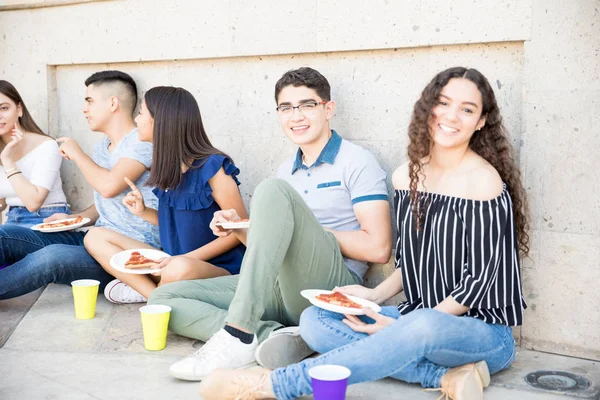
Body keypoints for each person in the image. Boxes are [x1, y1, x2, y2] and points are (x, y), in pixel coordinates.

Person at [197, 66, 529, 400]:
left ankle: (274, 385)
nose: (452, 116)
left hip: (482, 331)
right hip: (415, 316)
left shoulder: (483, 182)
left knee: (422, 325)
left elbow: (478, 283)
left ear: (482, 120)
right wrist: (373, 297)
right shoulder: (408, 176)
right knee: (316, 319)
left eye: (467, 109)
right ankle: (444, 377)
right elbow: (415, 264)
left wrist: (403, 327)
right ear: (428, 107)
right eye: (443, 103)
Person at [148, 67, 392, 381]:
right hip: (277, 286)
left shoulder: (356, 161)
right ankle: (271, 336)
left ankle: (238, 332)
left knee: (271, 190)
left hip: (330, 282)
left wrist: (305, 229)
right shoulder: (285, 170)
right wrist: (240, 228)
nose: (296, 116)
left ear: (328, 109)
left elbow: (379, 248)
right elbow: (270, 249)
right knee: (163, 299)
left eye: (307, 105)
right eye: (286, 108)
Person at [0, 70, 159, 300]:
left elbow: (109, 187)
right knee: (5, 235)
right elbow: (106, 202)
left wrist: (77, 154)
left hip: (124, 253)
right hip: (96, 238)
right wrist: (74, 218)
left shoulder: (141, 142)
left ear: (113, 103)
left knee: (50, 258)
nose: (84, 109)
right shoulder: (103, 146)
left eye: (90, 101)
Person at [84, 86, 247, 304]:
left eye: (141, 113)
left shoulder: (213, 168)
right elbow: (174, 223)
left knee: (178, 269)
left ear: (160, 122)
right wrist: (142, 211)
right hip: (171, 263)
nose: (137, 119)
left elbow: (240, 231)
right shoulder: (168, 167)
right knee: (95, 236)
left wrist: (183, 259)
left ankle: (157, 292)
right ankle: (155, 297)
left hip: (215, 269)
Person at [0, 80, 69, 227]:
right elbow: (1, 204)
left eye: (4, 108)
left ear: (19, 109)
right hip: (11, 222)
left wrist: (7, 160)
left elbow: (33, 202)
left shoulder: (46, 146)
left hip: (46, 220)